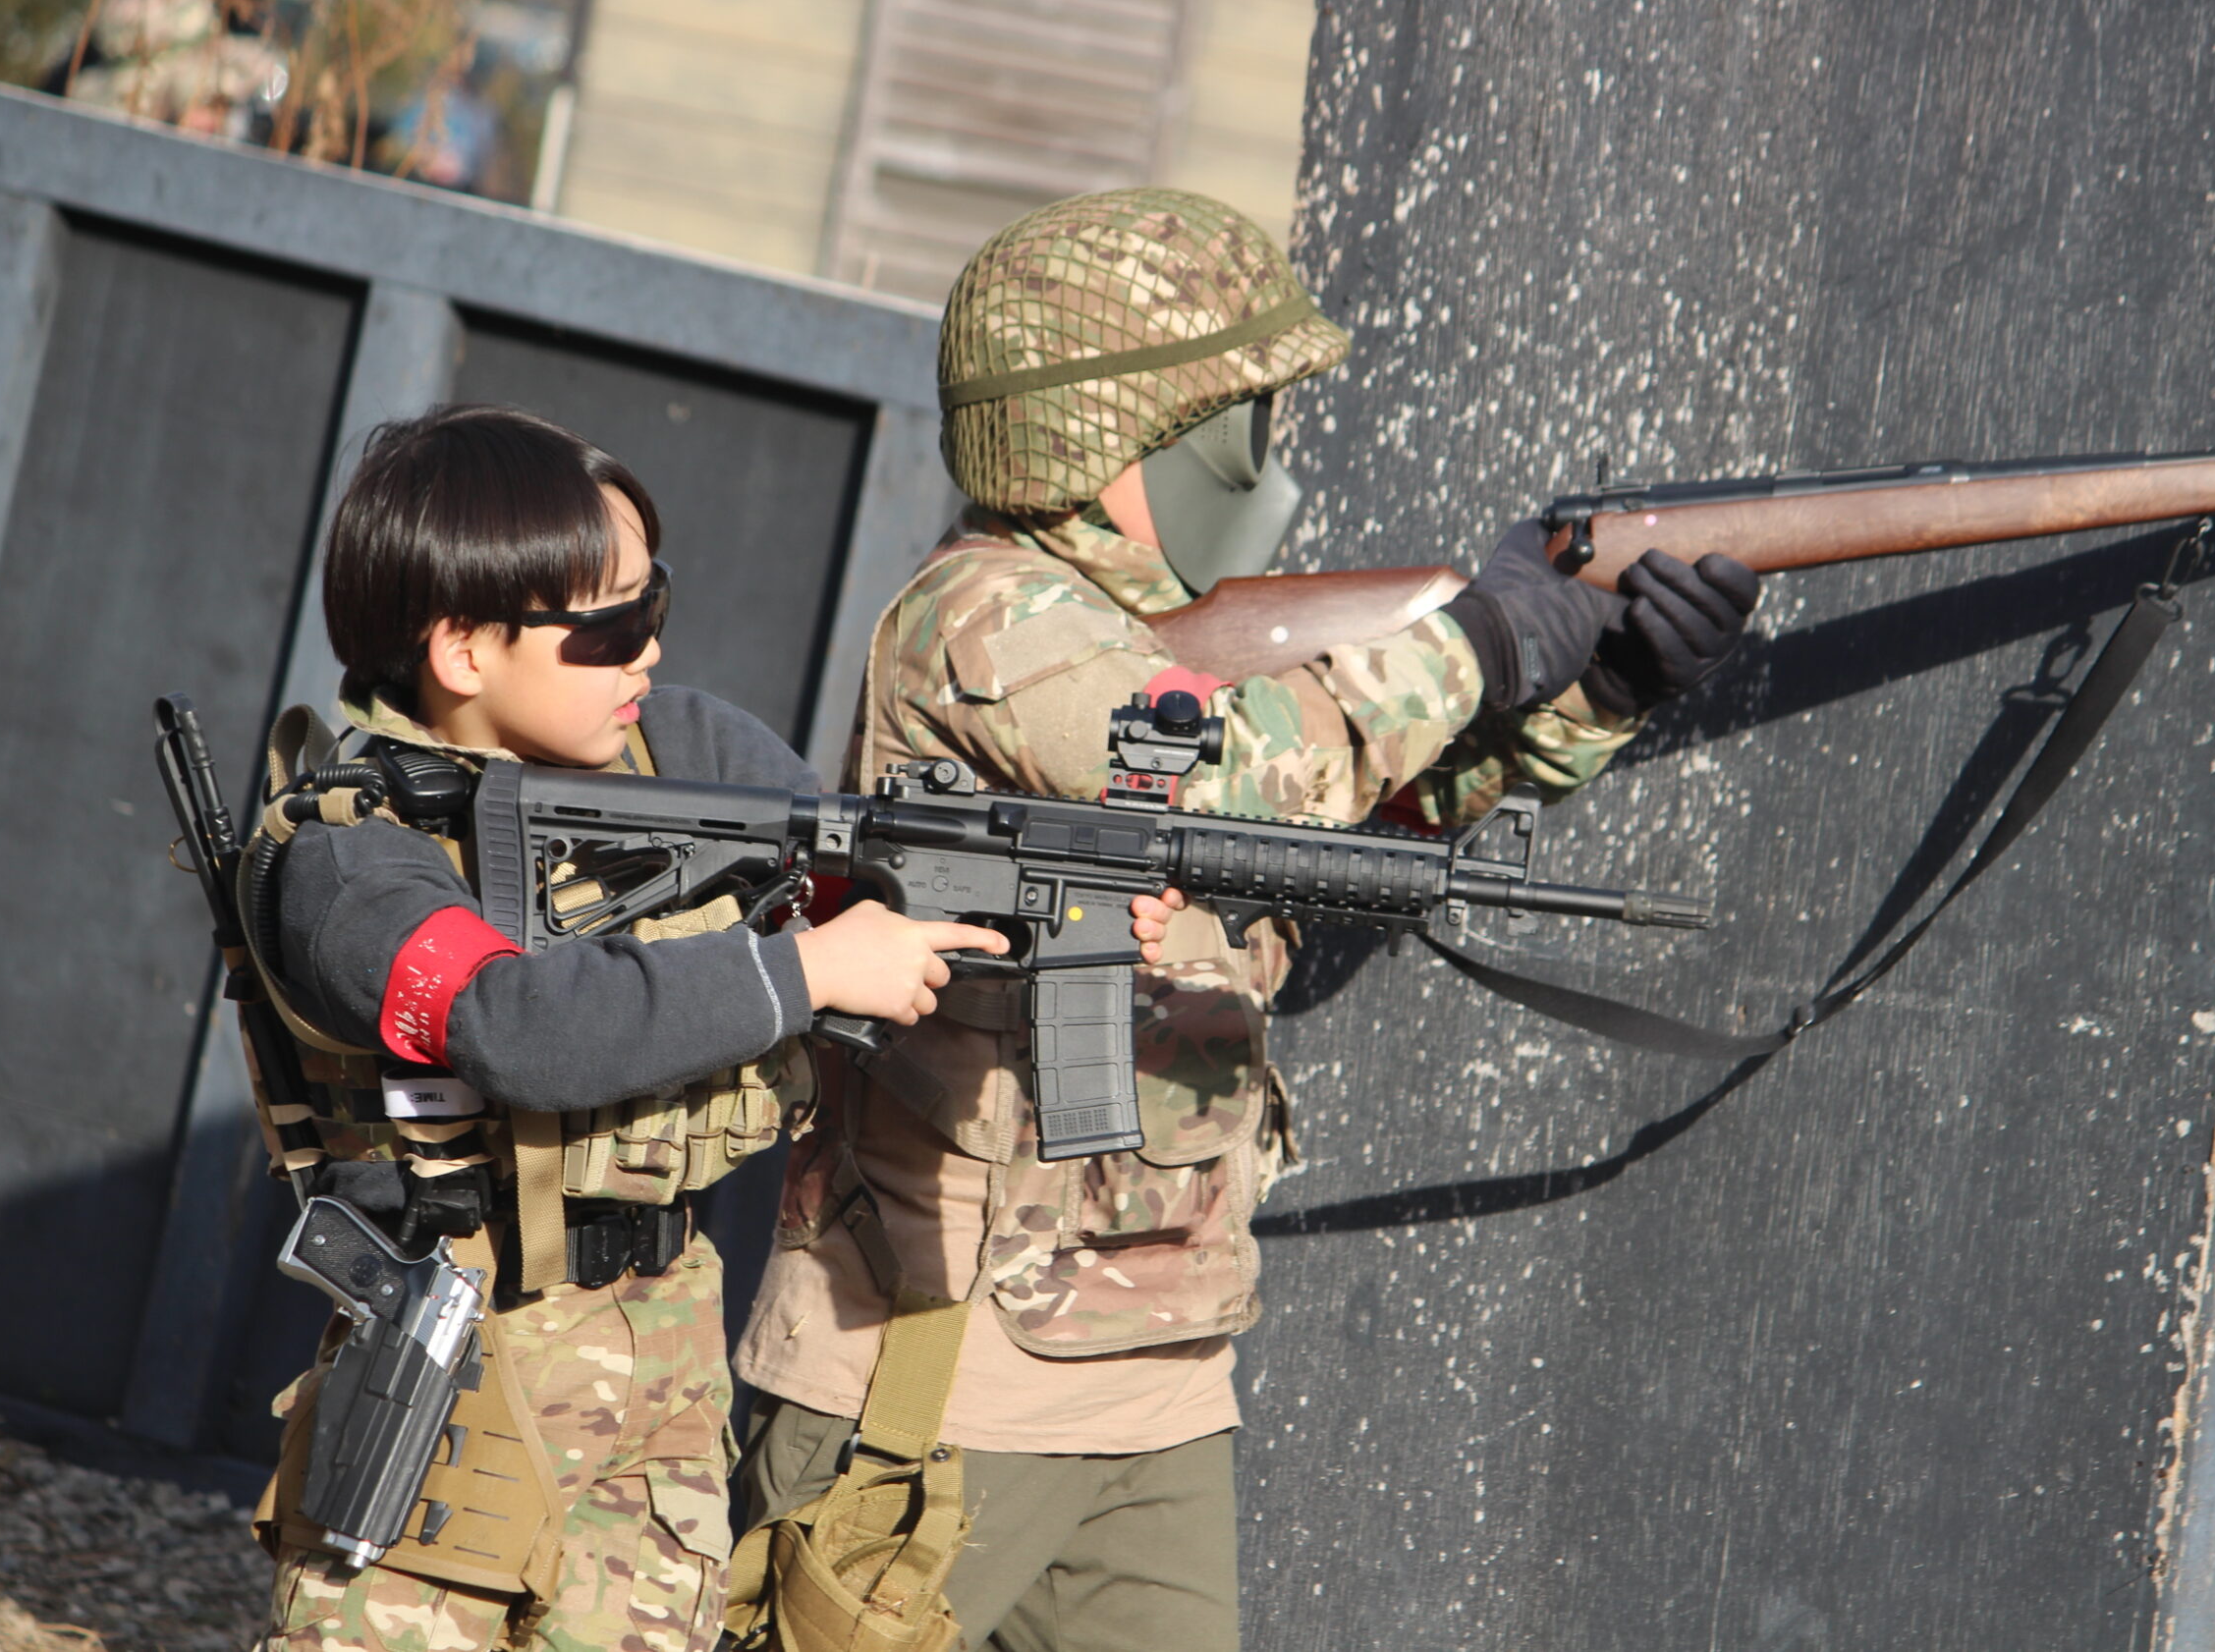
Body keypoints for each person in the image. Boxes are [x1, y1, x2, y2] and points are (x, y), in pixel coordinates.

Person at [729, 190, 1761, 1650]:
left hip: (1156, 1353)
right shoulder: (983, 617)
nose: (1269, 458)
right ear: (1123, 435)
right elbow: (1242, 777)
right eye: (1245, 421)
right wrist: (1478, 641)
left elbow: (1361, 822)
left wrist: (1598, 690)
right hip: (934, 1359)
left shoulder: (1176, 639)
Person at [244, 404, 1175, 1652]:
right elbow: (515, 1025)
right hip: (453, 1380)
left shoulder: (680, 747)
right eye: (608, 627)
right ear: (461, 649)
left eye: (656, 603)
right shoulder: (354, 863)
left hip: (664, 1371)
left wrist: (1052, 910)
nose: (649, 649)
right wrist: (807, 969)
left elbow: (868, 888)